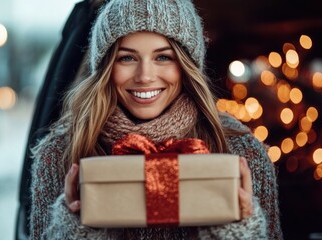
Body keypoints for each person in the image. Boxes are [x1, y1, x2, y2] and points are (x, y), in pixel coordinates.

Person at [29, 0, 283, 239]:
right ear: (106, 67)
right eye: (126, 57)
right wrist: (76, 232)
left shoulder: (242, 153)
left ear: (187, 65)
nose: (145, 76)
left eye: (163, 57)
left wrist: (240, 231)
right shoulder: (59, 154)